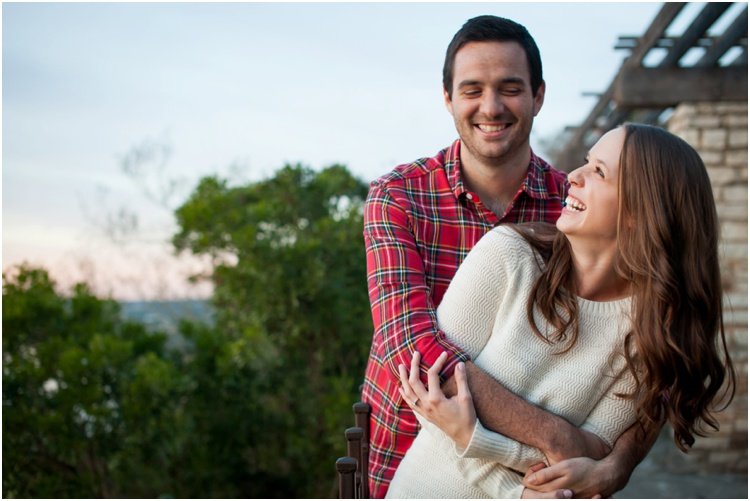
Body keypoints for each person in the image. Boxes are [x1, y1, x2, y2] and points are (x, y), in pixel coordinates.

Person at [362, 15, 654, 499]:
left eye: (510, 88)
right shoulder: (398, 197)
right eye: (473, 89)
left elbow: (652, 361)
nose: (491, 107)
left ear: (538, 95)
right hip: (407, 453)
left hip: (531, 482)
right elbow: (408, 347)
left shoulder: (577, 204)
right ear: (448, 98)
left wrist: (617, 462)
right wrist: (560, 439)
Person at [390, 123, 735, 498]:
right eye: (587, 162)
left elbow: (589, 456)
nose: (573, 176)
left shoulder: (647, 331)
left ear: (641, 212)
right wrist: (516, 491)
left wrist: (473, 434)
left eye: (598, 172)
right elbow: (431, 402)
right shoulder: (508, 255)